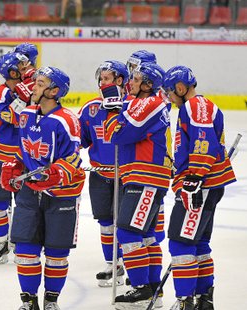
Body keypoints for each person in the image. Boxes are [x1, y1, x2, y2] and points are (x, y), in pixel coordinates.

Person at [0, 66, 85, 310]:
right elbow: (23, 148)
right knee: (26, 249)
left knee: (57, 254)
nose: (34, 87)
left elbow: (74, 157)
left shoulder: (67, 120)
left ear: (54, 91)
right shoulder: (26, 114)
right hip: (29, 190)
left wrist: (57, 173)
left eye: (40, 83)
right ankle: (28, 300)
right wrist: (12, 165)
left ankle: (51, 300)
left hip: (61, 194)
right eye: (36, 82)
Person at [163, 66, 236, 310]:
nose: (169, 97)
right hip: (207, 185)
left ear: (181, 88)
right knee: (198, 244)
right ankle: (203, 299)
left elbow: (204, 140)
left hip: (199, 187)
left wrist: (193, 178)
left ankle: (185, 302)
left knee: (180, 242)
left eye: (170, 92)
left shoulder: (194, 106)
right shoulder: (197, 106)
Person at [109, 62, 172, 309]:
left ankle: (141, 289)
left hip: (145, 176)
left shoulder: (151, 103)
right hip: (139, 176)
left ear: (148, 85)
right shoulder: (141, 102)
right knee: (145, 236)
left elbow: (121, 134)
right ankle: (153, 288)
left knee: (127, 232)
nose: (130, 83)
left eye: (135, 80)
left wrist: (115, 116)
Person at [77, 60, 129, 287]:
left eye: (107, 78)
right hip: (100, 174)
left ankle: (132, 264)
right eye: (101, 78)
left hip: (126, 174)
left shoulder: (131, 106)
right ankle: (112, 263)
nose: (102, 83)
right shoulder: (90, 108)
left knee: (126, 224)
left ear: (120, 81)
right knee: (106, 223)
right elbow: (79, 139)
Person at [0, 51, 33, 264]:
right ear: (12, 71)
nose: (27, 71)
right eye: (22, 68)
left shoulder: (34, 90)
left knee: (24, 203)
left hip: (24, 156)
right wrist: (23, 98)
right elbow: (12, 117)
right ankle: (2, 241)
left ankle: (21, 241)